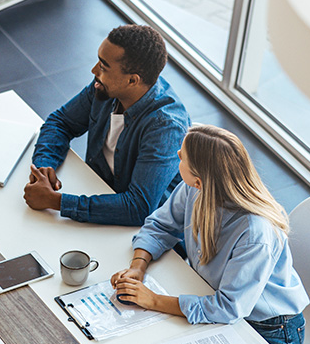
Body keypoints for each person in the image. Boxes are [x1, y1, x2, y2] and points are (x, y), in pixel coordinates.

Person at [110, 125, 309, 344]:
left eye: (183, 155)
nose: (177, 155)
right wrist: (138, 267)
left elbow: (227, 308)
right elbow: (160, 226)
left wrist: (153, 300)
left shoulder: (256, 234)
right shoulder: (195, 189)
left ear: (200, 179)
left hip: (269, 330)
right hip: (212, 297)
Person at [24, 24, 189, 225]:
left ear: (132, 81)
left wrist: (56, 201)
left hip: (146, 231)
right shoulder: (104, 87)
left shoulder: (165, 127)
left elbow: (138, 207)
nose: (94, 70)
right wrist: (44, 165)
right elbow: (61, 122)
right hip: (99, 196)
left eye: (103, 67)